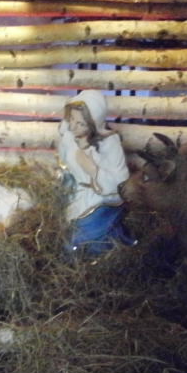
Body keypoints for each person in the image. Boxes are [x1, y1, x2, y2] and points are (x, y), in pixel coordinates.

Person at [58, 90, 136, 258]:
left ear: (93, 123)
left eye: (81, 124)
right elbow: (65, 163)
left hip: (100, 200)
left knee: (88, 240)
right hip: (74, 196)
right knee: (65, 235)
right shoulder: (69, 137)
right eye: (71, 119)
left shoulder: (109, 142)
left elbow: (121, 182)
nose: (73, 126)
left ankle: (98, 259)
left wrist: (93, 170)